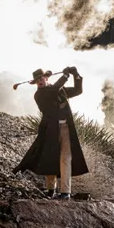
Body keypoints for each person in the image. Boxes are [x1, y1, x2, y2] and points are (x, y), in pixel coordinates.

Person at [14, 66, 89, 198]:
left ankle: (65, 192)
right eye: (37, 81)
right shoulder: (39, 94)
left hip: (65, 127)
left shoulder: (59, 90)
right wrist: (65, 76)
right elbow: (53, 90)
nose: (40, 82)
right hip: (50, 129)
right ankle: (51, 189)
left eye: (41, 78)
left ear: (46, 78)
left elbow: (78, 90)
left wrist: (76, 75)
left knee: (65, 158)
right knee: (50, 157)